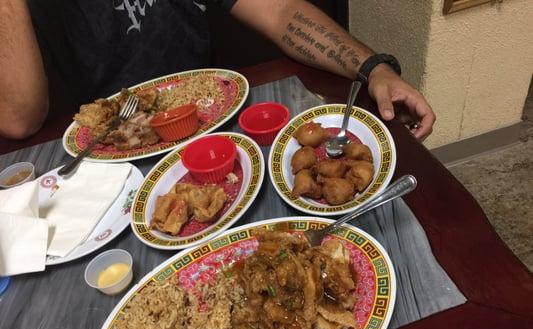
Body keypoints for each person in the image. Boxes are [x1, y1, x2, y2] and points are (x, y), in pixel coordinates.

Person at [0, 0, 435, 141]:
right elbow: (18, 118)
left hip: (205, 133)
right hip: (102, 165)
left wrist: (372, 67)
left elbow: (281, 11)